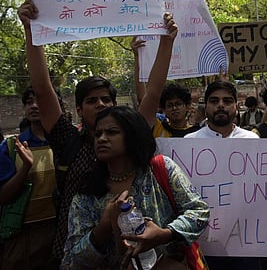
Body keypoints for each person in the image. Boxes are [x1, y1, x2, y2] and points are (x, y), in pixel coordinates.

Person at [17, 0, 177, 263]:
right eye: (92, 101)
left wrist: (166, 41)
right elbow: (43, 90)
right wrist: (32, 31)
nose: (101, 104)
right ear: (78, 109)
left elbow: (153, 93)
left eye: (106, 99)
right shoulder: (67, 138)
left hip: (139, 255)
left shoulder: (133, 134)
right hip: (79, 255)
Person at [62, 106, 210, 268]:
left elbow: (199, 211)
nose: (102, 139)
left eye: (112, 132)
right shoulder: (87, 192)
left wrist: (165, 234)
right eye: (98, 134)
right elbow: (72, 261)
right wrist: (105, 225)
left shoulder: (160, 169)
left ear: (133, 136)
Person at [184, 80, 260, 270]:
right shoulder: (189, 143)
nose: (220, 105)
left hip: (246, 241)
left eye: (227, 101)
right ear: (206, 105)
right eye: (214, 101)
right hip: (204, 242)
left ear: (236, 106)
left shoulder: (253, 141)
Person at [0, 87, 60, 269]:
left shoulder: (66, 144)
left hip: (59, 231)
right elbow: (4, 197)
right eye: (28, 102)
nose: (34, 106)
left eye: (39, 100)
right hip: (24, 238)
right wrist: (25, 167)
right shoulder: (11, 147)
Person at [131, 39, 200, 138]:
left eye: (178, 104)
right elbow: (144, 101)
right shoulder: (158, 128)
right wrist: (138, 57)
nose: (174, 108)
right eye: (170, 105)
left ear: (188, 106)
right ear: (163, 109)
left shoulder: (199, 133)